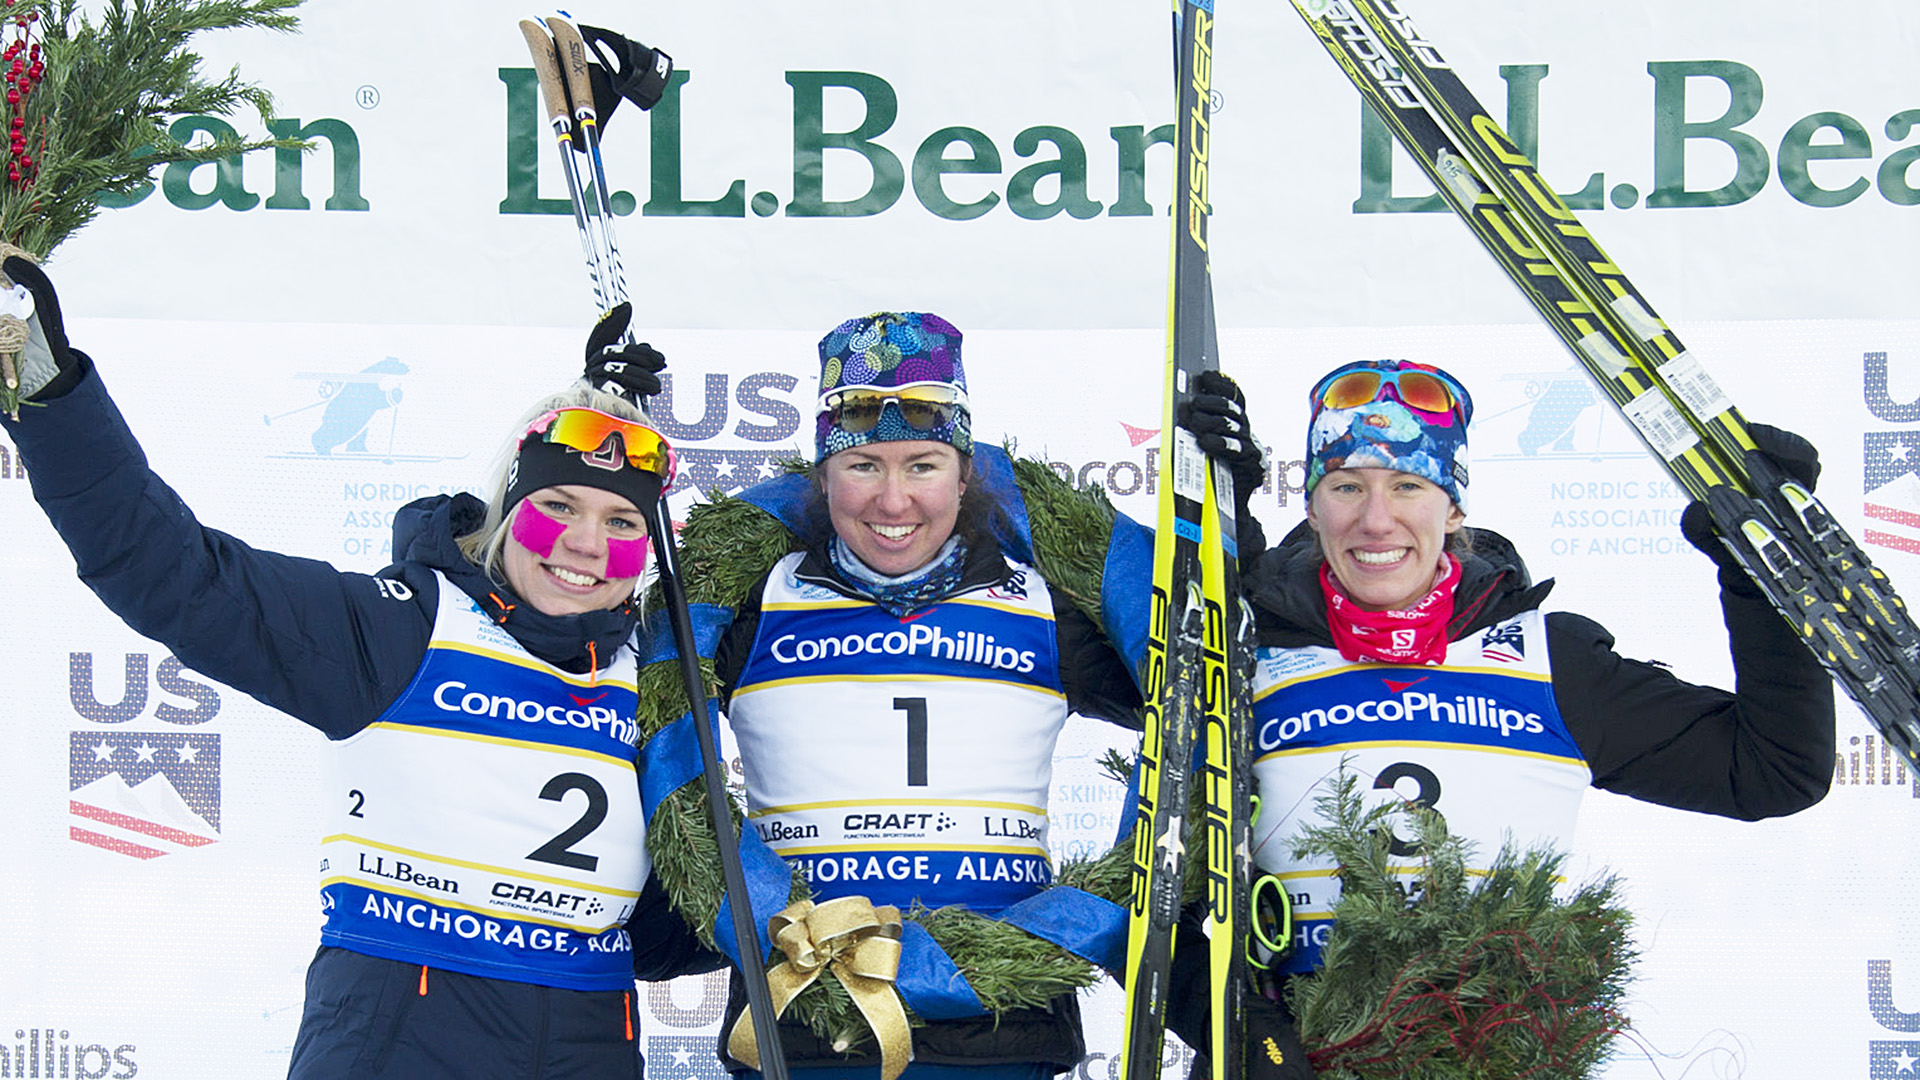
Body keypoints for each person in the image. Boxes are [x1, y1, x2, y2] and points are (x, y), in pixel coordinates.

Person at [0, 254, 721, 1080]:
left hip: (589, 1051)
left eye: (622, 520)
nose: (586, 545)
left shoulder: (661, 682)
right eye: (556, 508)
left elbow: (666, 933)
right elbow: (173, 573)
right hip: (394, 1047)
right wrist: (53, 397)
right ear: (506, 512)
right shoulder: (402, 629)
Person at [1173, 359, 1836, 1078]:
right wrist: (1211, 522)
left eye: (1408, 486)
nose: (1375, 519)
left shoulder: (1549, 660)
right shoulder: (1245, 645)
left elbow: (1773, 771)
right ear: (1312, 506)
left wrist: (1761, 568)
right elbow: (1143, 845)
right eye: (1345, 487)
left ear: (1453, 507)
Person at [658, 311, 1148, 1080]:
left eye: (922, 466)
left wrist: (1236, 525)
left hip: (999, 1036)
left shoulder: (1043, 605)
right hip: (806, 1027)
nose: (893, 502)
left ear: (965, 471)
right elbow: (615, 683)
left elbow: (1198, 692)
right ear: (821, 477)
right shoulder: (752, 606)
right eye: (863, 467)